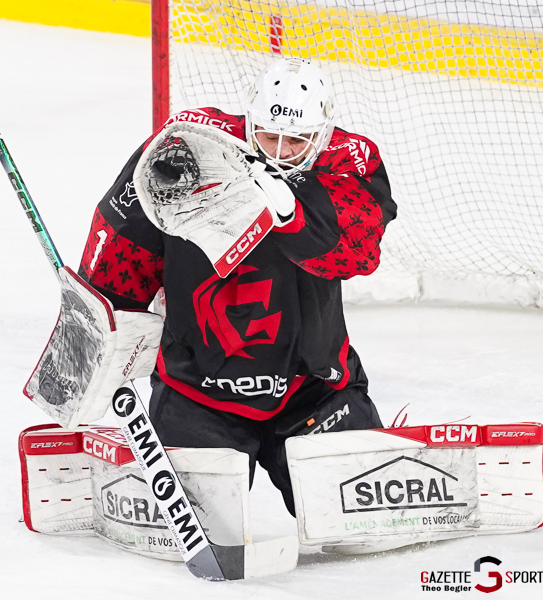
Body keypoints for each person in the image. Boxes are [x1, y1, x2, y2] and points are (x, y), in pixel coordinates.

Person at [76, 57, 397, 516]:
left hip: (314, 390)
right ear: (249, 122)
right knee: (203, 529)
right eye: (269, 135)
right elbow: (125, 232)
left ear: (323, 133)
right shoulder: (186, 145)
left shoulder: (348, 158)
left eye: (297, 140)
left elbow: (359, 248)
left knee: (368, 524)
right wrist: (101, 311)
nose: (281, 149)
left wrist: (294, 210)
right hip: (198, 392)